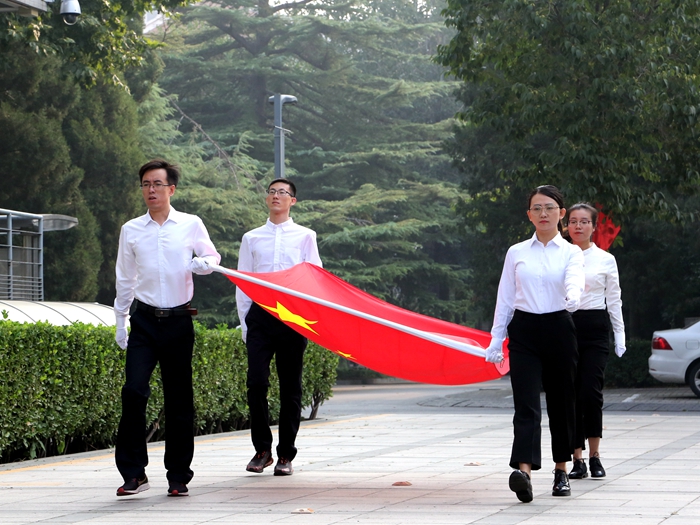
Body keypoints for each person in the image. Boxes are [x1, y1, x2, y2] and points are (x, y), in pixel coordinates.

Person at [113, 159, 221, 497]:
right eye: (146, 184)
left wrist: (204, 264)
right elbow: (124, 277)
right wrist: (120, 320)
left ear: (171, 189)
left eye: (157, 184)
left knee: (179, 399)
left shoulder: (190, 224)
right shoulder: (131, 229)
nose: (151, 190)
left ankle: (178, 475)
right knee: (133, 392)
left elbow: (212, 257)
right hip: (144, 321)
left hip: (178, 320)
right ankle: (134, 473)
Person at [485, 185, 585, 503]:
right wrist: (496, 339)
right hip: (524, 330)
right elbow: (505, 298)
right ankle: (524, 472)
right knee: (525, 403)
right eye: (537, 208)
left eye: (549, 208)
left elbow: (574, 279)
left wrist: (573, 295)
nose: (543, 213)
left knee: (561, 402)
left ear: (561, 213)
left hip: (559, 327)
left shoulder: (571, 252)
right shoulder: (516, 252)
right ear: (529, 215)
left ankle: (561, 470)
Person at [236, 178, 322, 476]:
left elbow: (315, 278)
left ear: (292, 201)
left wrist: (311, 320)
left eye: (282, 192)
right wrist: (245, 323)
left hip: (293, 318)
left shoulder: (305, 236)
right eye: (272, 192)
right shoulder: (252, 238)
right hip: (260, 317)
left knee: (290, 387)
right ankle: (262, 450)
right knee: (256, 383)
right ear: (267, 198)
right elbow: (243, 281)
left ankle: (286, 454)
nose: (276, 196)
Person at [565, 203, 625, 480]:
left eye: (584, 221)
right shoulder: (560, 255)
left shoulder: (605, 259)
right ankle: (576, 459)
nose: (578, 226)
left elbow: (614, 299)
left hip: (595, 327)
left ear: (593, 226)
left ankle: (595, 455)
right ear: (566, 225)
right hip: (565, 326)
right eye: (573, 221)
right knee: (570, 395)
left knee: (591, 392)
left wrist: (619, 334)